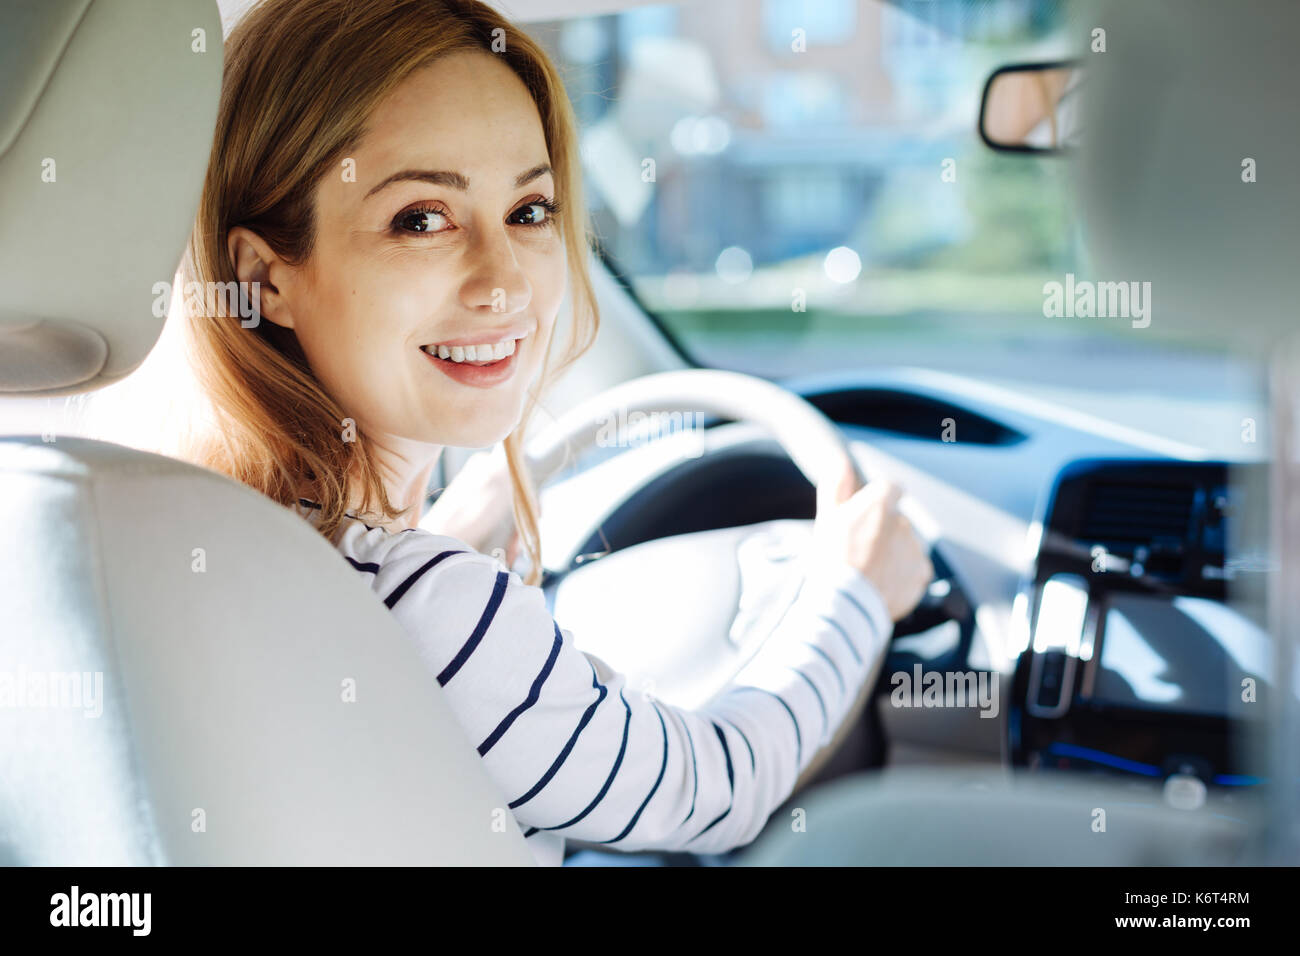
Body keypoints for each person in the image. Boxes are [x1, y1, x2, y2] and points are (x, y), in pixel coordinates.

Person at [176, 0, 933, 865]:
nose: (505, 282)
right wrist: (857, 593)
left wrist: (465, 516)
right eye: (421, 218)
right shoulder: (437, 607)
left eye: (530, 210)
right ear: (263, 278)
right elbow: (714, 789)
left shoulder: (203, 541)